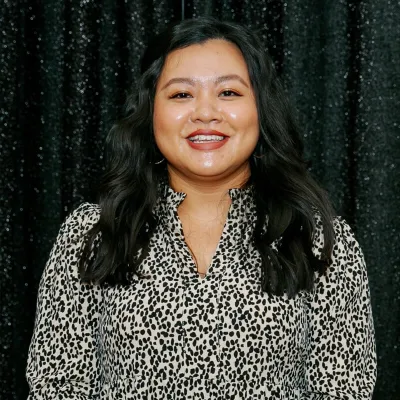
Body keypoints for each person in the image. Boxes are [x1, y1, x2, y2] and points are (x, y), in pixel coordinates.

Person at [26, 17, 376, 399]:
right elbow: (58, 387)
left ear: (261, 108)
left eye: (228, 92)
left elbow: (343, 390)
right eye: (181, 95)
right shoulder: (92, 233)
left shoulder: (319, 238)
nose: (205, 113)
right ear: (149, 111)